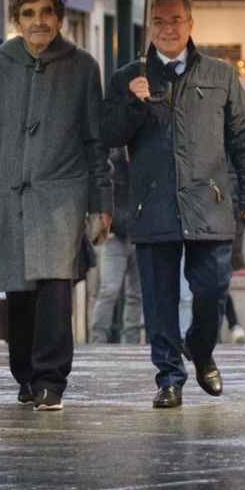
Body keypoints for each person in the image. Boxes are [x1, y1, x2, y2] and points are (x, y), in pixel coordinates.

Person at [102, 0, 245, 409]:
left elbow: (243, 136)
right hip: (151, 203)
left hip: (208, 201)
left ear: (191, 24)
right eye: (159, 21)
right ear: (149, 27)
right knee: (159, 300)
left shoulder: (220, 74)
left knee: (212, 288)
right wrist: (133, 105)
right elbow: (108, 135)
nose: (167, 28)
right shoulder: (128, 77)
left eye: (175, 20)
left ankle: (202, 348)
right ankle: (169, 376)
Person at [0, 0, 108, 410]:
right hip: (7, 197)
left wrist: (100, 201)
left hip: (61, 195)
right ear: (17, 20)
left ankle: (51, 378)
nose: (39, 21)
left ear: (60, 18)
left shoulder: (82, 68)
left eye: (47, 12)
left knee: (55, 288)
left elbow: (95, 141)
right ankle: (25, 374)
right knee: (20, 292)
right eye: (29, 13)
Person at [89, 147, 144, 345]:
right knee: (109, 290)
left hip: (139, 235)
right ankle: (98, 339)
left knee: (136, 294)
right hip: (116, 235)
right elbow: (105, 195)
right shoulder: (114, 164)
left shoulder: (143, 161)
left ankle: (131, 340)